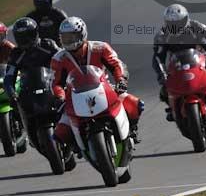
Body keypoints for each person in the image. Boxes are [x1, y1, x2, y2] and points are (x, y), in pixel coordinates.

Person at [51, 17, 144, 148]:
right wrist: (60, 97)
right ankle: (76, 147)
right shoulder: (58, 59)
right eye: (65, 38)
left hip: (104, 89)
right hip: (74, 96)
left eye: (71, 37)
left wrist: (120, 80)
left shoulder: (101, 48)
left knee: (135, 104)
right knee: (60, 133)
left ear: (82, 34)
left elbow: (117, 65)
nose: (68, 41)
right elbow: (56, 83)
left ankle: (132, 130)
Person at [3, 18, 72, 164]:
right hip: (29, 91)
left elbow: (65, 58)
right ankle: (30, 136)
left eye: (28, 36)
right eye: (21, 37)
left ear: (35, 33)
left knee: (69, 103)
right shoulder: (16, 54)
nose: (25, 40)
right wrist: (11, 94)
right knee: (19, 108)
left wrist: (68, 76)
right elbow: (9, 76)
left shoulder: (48, 44)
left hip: (51, 86)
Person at [153, 4, 206, 120]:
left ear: (186, 20)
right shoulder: (162, 35)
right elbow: (157, 57)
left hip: (199, 61)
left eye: (178, 23)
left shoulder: (198, 28)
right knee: (164, 90)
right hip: (177, 65)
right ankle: (173, 107)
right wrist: (161, 73)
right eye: (171, 24)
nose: (175, 26)